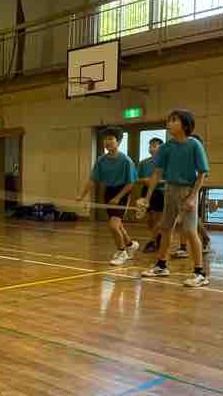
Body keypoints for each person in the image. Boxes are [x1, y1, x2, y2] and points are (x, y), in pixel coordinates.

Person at [140, 110, 209, 287]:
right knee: (166, 228)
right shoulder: (166, 147)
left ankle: (200, 273)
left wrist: (193, 197)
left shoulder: (194, 145)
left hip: (187, 190)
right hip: (169, 189)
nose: (169, 123)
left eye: (174, 120)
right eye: (168, 120)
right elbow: (157, 173)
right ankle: (162, 265)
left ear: (185, 125)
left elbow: (202, 174)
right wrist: (147, 197)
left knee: (190, 231)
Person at [78, 128, 140, 265]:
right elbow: (93, 180)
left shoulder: (126, 161)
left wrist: (118, 197)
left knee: (113, 225)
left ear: (118, 141)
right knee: (117, 224)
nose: (107, 142)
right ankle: (130, 245)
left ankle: (121, 251)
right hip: (108, 193)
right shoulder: (101, 160)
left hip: (122, 192)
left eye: (111, 139)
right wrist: (82, 196)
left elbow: (131, 183)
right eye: (105, 139)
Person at [139, 137, 166, 254]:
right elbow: (139, 178)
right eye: (150, 146)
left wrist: (155, 181)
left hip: (160, 192)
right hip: (146, 191)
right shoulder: (143, 163)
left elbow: (168, 180)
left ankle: (152, 241)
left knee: (157, 218)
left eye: (155, 145)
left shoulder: (166, 163)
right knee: (149, 220)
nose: (152, 148)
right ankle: (157, 236)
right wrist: (144, 180)